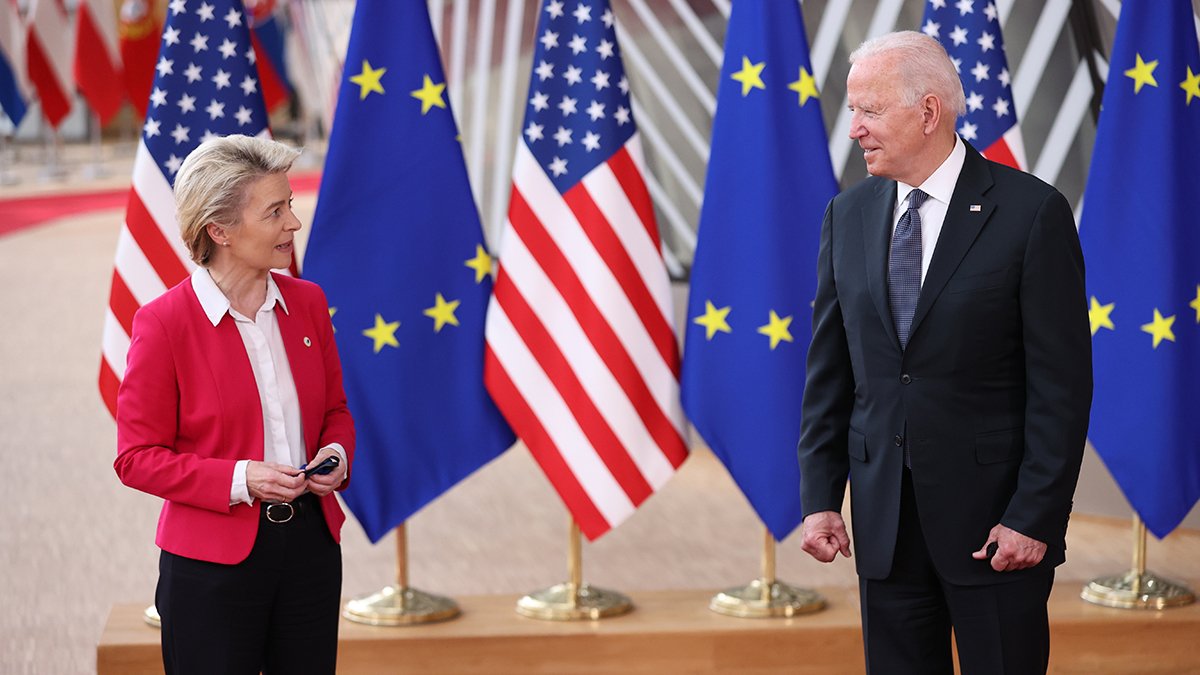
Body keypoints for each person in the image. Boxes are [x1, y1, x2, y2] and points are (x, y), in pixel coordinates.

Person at [796, 31, 1091, 674]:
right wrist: (820, 496)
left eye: (869, 110)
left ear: (928, 112)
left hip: (996, 531)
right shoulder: (846, 215)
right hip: (884, 530)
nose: (854, 128)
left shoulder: (1031, 213)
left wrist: (1034, 517)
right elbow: (831, 375)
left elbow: (1062, 390)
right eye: (852, 110)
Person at [114, 135, 355, 675]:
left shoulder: (309, 302)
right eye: (275, 212)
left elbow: (335, 412)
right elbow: (136, 458)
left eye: (289, 204)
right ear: (218, 231)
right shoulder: (164, 324)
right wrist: (243, 479)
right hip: (210, 565)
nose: (293, 223)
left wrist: (336, 455)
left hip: (312, 549)